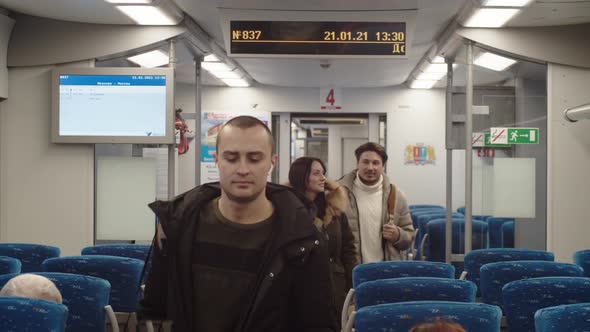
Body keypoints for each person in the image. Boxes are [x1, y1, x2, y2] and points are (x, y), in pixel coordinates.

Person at [139, 116, 337, 332]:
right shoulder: (177, 225)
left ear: (272, 162)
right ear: (217, 160)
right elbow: (154, 311)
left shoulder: (303, 239)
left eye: (254, 159)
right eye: (231, 158)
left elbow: (318, 324)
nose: (243, 169)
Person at [288, 157, 358, 326]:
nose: (323, 178)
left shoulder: (333, 209)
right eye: (316, 173)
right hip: (301, 288)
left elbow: (348, 249)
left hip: (335, 286)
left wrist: (353, 285)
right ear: (301, 176)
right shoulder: (288, 210)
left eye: (323, 173)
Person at [338, 142, 414, 263]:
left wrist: (398, 235)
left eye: (376, 163)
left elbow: (409, 237)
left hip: (385, 270)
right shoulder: (339, 193)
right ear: (357, 163)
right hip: (350, 270)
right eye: (365, 162)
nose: (370, 168)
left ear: (383, 166)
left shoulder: (396, 195)